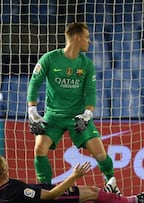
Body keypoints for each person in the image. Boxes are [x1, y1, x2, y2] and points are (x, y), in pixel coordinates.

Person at [26, 22, 120, 195]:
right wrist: (32, 111)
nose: (89, 41)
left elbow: (91, 92)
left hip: (78, 117)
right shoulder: (49, 58)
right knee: (39, 149)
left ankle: (112, 186)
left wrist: (87, 114)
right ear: (77, 37)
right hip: (53, 116)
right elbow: (34, 83)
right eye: (87, 37)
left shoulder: (86, 63)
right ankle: (46, 189)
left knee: (100, 154)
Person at [0, 155, 144, 203]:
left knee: (92, 196)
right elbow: (50, 196)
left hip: (44, 191)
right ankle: (134, 200)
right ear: (5, 170)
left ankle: (107, 193)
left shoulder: (6, 188)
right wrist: (73, 177)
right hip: (51, 198)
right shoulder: (12, 191)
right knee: (92, 192)